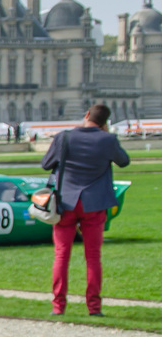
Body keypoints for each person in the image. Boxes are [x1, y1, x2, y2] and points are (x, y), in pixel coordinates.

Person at [43, 103, 130, 316]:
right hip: (94, 203)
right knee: (93, 257)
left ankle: (58, 306)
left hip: (66, 202)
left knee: (62, 255)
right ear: (105, 123)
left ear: (87, 115)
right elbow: (124, 161)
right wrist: (106, 136)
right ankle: (94, 307)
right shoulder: (107, 139)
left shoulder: (64, 137)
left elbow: (46, 164)